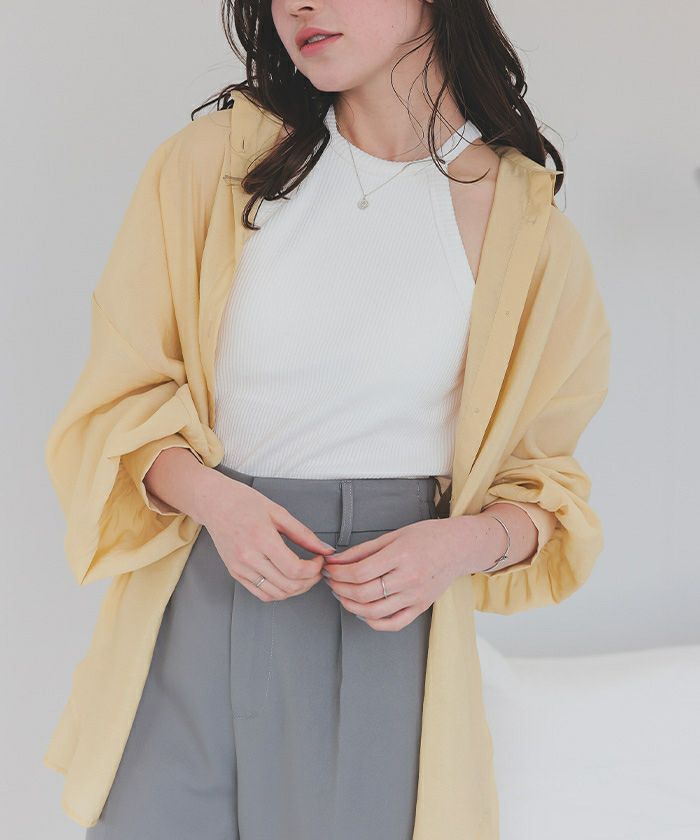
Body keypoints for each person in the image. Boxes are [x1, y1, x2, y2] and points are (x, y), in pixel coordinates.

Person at [43, 1, 611, 838]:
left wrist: (457, 544)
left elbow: (546, 486)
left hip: (384, 622)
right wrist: (217, 502)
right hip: (201, 589)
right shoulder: (212, 167)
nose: (300, 5)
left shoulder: (526, 230)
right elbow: (119, 398)